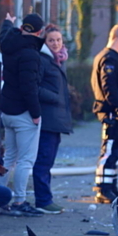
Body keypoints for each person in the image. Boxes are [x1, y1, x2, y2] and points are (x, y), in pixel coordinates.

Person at [0, 12, 45, 215]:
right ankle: (19, 201)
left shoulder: (10, 44)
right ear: (39, 32)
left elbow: (4, 35)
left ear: (23, 28)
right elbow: (29, 87)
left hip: (6, 109)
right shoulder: (30, 54)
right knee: (25, 160)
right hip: (23, 113)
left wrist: (8, 21)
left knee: (8, 159)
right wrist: (36, 113)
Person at [33, 25, 73, 214]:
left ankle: (46, 198)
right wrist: (55, 97)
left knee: (48, 160)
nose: (56, 43)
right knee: (43, 160)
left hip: (56, 119)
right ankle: (43, 200)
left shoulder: (58, 60)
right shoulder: (43, 60)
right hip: (47, 119)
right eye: (51, 40)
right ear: (45, 42)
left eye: (58, 40)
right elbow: (35, 87)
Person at [90, 23, 118, 203]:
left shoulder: (110, 57)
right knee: (109, 151)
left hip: (113, 112)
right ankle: (103, 188)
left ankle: (110, 185)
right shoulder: (110, 59)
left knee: (114, 151)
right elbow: (109, 86)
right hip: (111, 113)